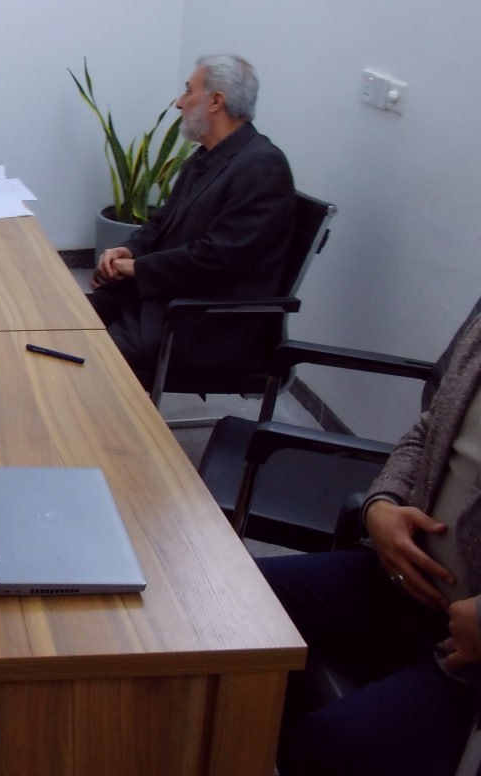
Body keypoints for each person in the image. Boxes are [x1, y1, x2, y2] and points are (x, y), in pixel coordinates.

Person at [260, 309, 481, 776]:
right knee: (235, 601)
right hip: (404, 580)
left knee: (333, 745)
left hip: (470, 655)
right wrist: (381, 504)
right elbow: (429, 428)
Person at [88, 54, 295, 379]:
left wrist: (137, 268)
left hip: (205, 323)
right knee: (65, 321)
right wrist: (128, 250)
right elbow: (161, 222)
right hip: (164, 300)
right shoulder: (205, 157)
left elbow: (216, 258)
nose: (179, 103)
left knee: (89, 357)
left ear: (216, 101)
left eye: (188, 91)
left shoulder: (262, 167)